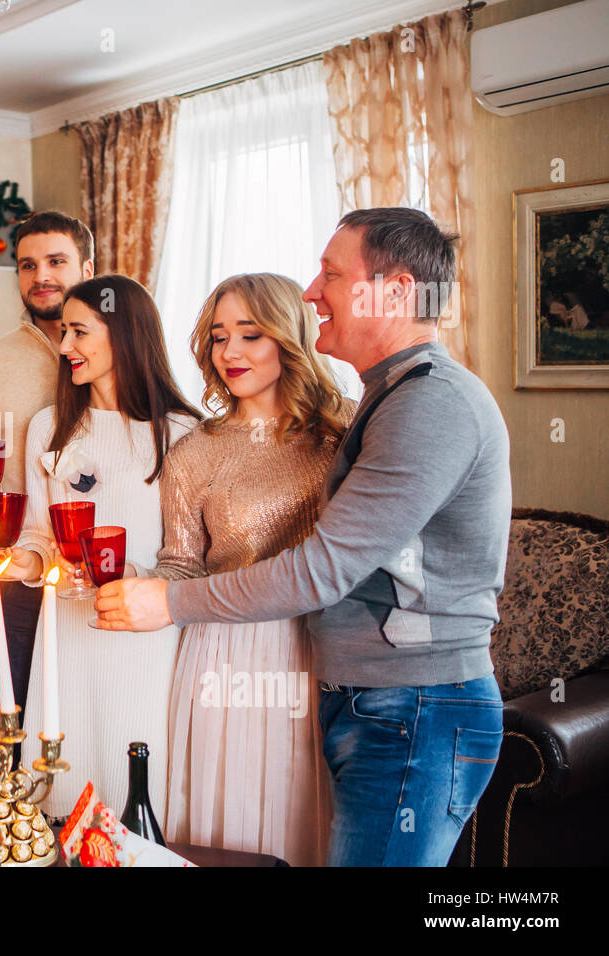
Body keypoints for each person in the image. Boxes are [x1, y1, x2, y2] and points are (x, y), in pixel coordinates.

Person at [97, 208, 511, 867]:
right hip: (368, 700)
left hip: (414, 709)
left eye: (331, 275)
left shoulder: (427, 403)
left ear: (394, 291)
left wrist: (167, 604)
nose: (312, 291)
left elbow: (322, 569)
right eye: (217, 336)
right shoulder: (390, 397)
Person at [155, 273, 354, 866]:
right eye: (218, 337)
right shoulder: (195, 449)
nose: (230, 353)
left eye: (250, 334)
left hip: (312, 647)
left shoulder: (340, 436)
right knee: (225, 814)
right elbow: (181, 564)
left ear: (288, 337)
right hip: (219, 652)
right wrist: (132, 588)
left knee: (301, 808)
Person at [0, 275, 200, 821]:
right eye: (63, 333)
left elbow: (192, 560)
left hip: (144, 644)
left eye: (78, 332)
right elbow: (40, 534)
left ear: (125, 334)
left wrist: (126, 574)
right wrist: (21, 561)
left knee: (139, 792)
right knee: (65, 794)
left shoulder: (180, 434)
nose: (64, 348)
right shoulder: (49, 430)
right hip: (66, 637)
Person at [0, 211, 95, 715]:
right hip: (14, 573)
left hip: (93, 571)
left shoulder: (115, 352)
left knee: (80, 720)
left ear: (87, 266)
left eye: (57, 261)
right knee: (8, 719)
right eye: (27, 265)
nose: (42, 276)